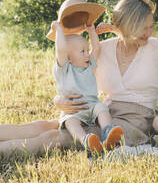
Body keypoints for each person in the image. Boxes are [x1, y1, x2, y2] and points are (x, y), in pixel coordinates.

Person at [0, 0, 158, 156]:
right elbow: (76, 79)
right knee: (46, 125)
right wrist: (58, 100)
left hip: (133, 122)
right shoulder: (105, 49)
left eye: (151, 26)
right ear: (126, 26)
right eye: (143, 28)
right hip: (104, 111)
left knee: (57, 138)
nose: (150, 33)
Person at [51, 17, 123, 153]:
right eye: (82, 51)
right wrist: (59, 30)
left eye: (86, 50)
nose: (87, 54)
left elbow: (96, 48)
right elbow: (60, 50)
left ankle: (108, 132)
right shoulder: (64, 69)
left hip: (92, 105)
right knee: (70, 122)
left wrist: (91, 31)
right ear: (68, 57)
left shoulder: (89, 65)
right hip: (75, 110)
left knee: (102, 108)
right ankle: (86, 141)